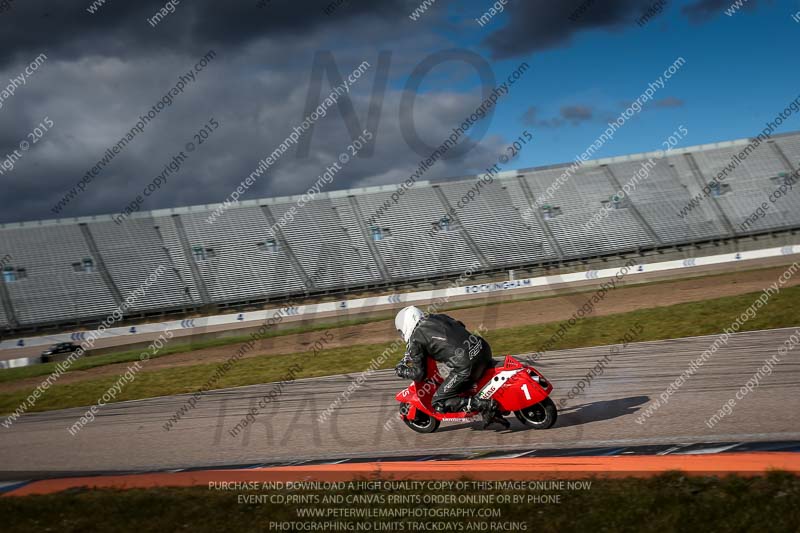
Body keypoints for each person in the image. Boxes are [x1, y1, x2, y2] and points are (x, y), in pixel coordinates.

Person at [393, 306, 509, 429]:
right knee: (464, 386)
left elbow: (419, 374)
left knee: (438, 402)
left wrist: (401, 371)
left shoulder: (416, 339)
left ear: (405, 324)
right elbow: (460, 325)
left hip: (467, 365)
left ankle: (485, 406)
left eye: (400, 331)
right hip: (482, 349)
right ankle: (487, 406)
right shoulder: (438, 317)